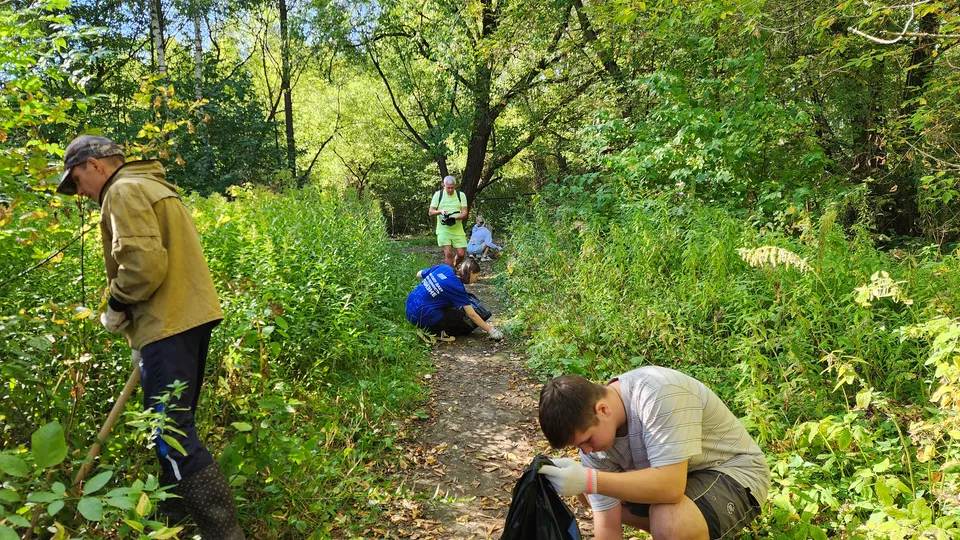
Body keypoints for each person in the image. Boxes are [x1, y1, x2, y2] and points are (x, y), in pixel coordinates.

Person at [56, 135, 244, 538]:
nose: (79, 193)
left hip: (168, 322)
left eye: (75, 181)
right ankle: (176, 522)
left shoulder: (121, 191)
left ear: (95, 165)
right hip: (186, 317)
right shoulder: (153, 185)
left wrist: (117, 305)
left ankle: (223, 534)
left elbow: (142, 267)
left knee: (169, 432)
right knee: (175, 426)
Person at [536, 366, 769, 540]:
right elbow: (608, 526)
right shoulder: (595, 440)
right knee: (590, 496)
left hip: (734, 473)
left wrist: (590, 480)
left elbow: (670, 487)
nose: (586, 451)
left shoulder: (658, 393)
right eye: (578, 447)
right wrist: (590, 485)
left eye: (586, 440)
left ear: (603, 409)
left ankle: (684, 528)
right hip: (687, 479)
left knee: (670, 520)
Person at [405, 258, 503, 341]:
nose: (476, 280)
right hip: (420, 317)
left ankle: (425, 325)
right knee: (458, 315)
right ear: (471, 272)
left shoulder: (444, 268)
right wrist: (491, 330)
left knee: (447, 302)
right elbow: (472, 315)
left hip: (409, 309)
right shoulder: (457, 287)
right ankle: (435, 333)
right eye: (476, 276)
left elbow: (419, 274)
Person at [429, 175, 469, 268]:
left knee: (461, 254)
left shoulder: (461, 195)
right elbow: (431, 212)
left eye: (452, 188)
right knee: (449, 253)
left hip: (457, 229)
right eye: (448, 188)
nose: (450, 190)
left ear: (455, 186)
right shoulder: (438, 195)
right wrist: (440, 212)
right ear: (443, 185)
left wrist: (455, 218)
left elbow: (465, 212)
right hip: (443, 229)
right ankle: (450, 275)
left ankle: (453, 266)